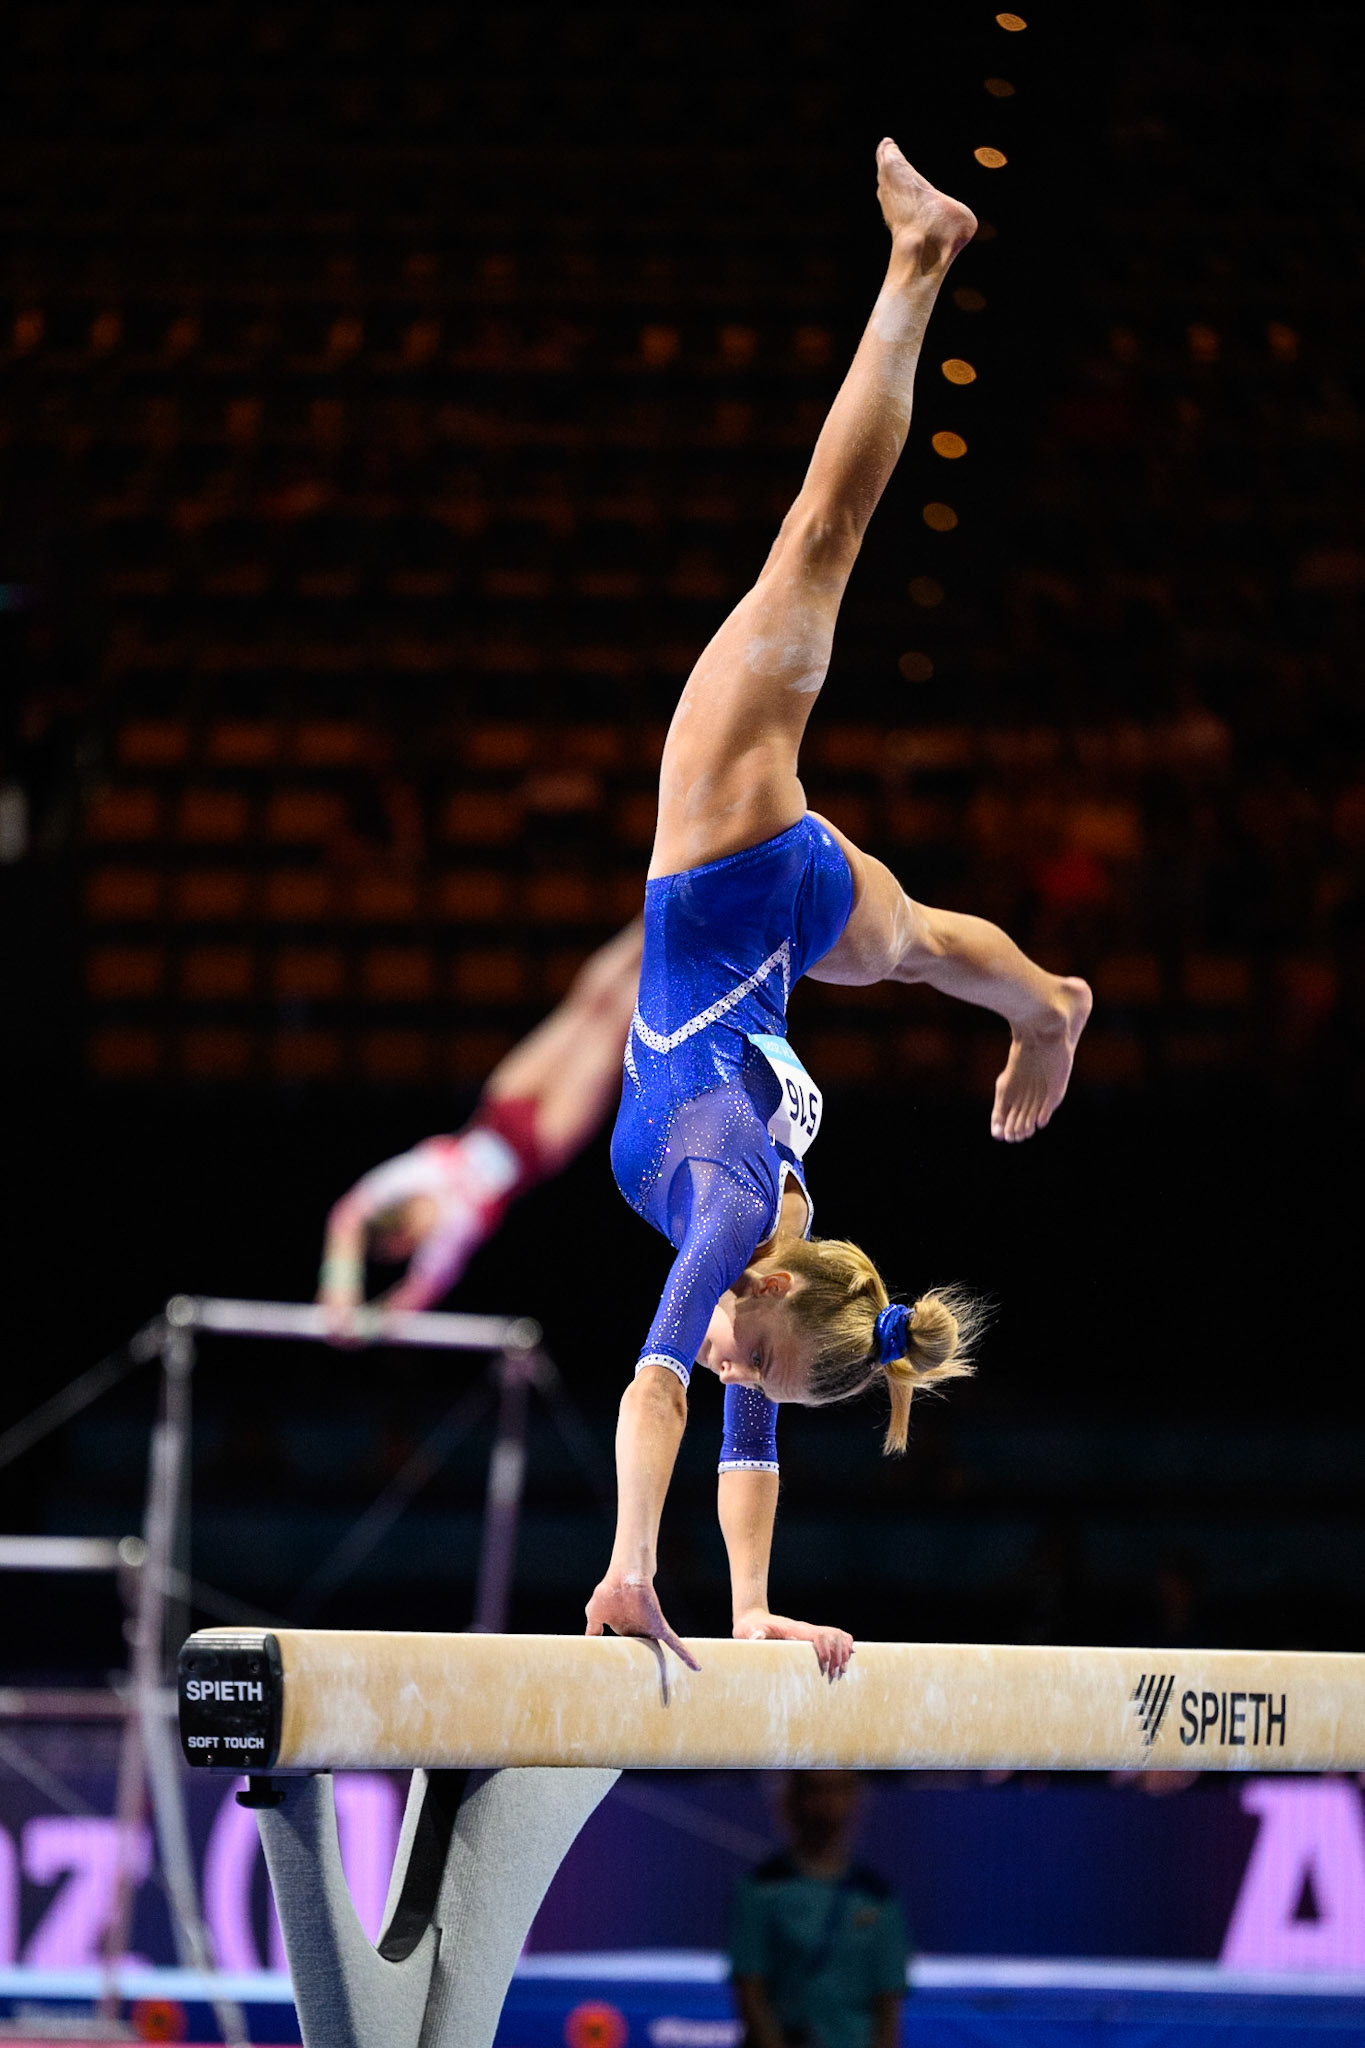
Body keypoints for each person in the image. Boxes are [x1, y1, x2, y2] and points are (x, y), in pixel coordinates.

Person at [585, 143, 1092, 1674]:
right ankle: (919, 260)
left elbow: (745, 1425)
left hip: (782, 927)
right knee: (820, 538)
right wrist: (628, 1570)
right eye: (754, 1352)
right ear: (765, 1288)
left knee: (922, 946)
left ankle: (1045, 1002)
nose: (737, 1368)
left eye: (756, 1366)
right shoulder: (734, 1212)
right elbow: (663, 1384)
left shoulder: (787, 1252)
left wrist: (748, 1614)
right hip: (728, 854)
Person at [317, 918, 643, 1312]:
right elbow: (408, 1302)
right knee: (611, 1029)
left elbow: (347, 1216)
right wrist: (359, 1319)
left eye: (400, 1250)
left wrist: (340, 1289)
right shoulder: (446, 1240)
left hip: (502, 1106)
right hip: (541, 1141)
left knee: (585, 1006)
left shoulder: (413, 1176)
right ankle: (674, 954)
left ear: (398, 1241)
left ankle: (648, 919)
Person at [730, 1772, 908, 2048]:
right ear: (791, 1799)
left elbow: (888, 2009)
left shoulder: (878, 1898)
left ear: (855, 1799)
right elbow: (750, 1996)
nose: (827, 1804)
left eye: (839, 1790)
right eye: (815, 1790)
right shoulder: (760, 1891)